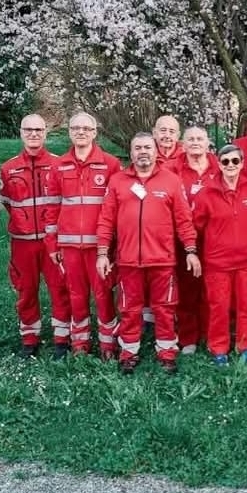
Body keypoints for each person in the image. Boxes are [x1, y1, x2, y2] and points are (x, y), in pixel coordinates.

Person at [96, 133, 200, 375]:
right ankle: (128, 353)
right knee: (129, 309)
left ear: (155, 151)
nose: (143, 152)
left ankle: (166, 353)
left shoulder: (171, 181)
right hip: (128, 260)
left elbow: (184, 220)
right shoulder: (118, 181)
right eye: (137, 148)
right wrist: (102, 252)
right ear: (131, 153)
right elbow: (106, 219)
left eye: (147, 147)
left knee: (165, 309)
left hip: (162, 260)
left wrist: (191, 250)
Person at [44, 112, 123, 358]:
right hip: (68, 246)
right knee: (76, 295)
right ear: (69, 132)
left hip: (99, 248)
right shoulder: (58, 165)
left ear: (94, 133)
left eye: (86, 128)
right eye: (76, 128)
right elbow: (51, 207)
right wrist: (52, 244)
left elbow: (116, 209)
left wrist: (111, 246)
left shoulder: (110, 164)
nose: (81, 132)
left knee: (103, 295)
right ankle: (80, 344)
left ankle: (108, 345)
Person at [0, 113, 72, 359]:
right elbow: (8, 203)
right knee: (26, 290)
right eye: (28, 130)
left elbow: (64, 204)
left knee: (60, 289)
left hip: (53, 241)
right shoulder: (8, 168)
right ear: (21, 132)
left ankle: (62, 338)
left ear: (45, 133)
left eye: (38, 130)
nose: (34, 134)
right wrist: (23, 225)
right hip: (22, 243)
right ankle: (30, 339)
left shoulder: (58, 164)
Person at [192, 144, 247, 365]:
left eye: (235, 161)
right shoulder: (206, 193)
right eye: (225, 161)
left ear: (242, 164)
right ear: (219, 164)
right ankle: (219, 347)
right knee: (218, 307)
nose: (231, 165)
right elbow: (196, 226)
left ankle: (246, 345)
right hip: (217, 262)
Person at [166, 126, 219, 354]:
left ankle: (210, 334)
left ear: (208, 143)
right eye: (190, 139)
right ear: (182, 144)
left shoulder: (221, 166)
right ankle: (188, 337)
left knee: (212, 290)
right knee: (187, 289)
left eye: (200, 138)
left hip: (216, 239)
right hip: (183, 239)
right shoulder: (171, 169)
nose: (195, 142)